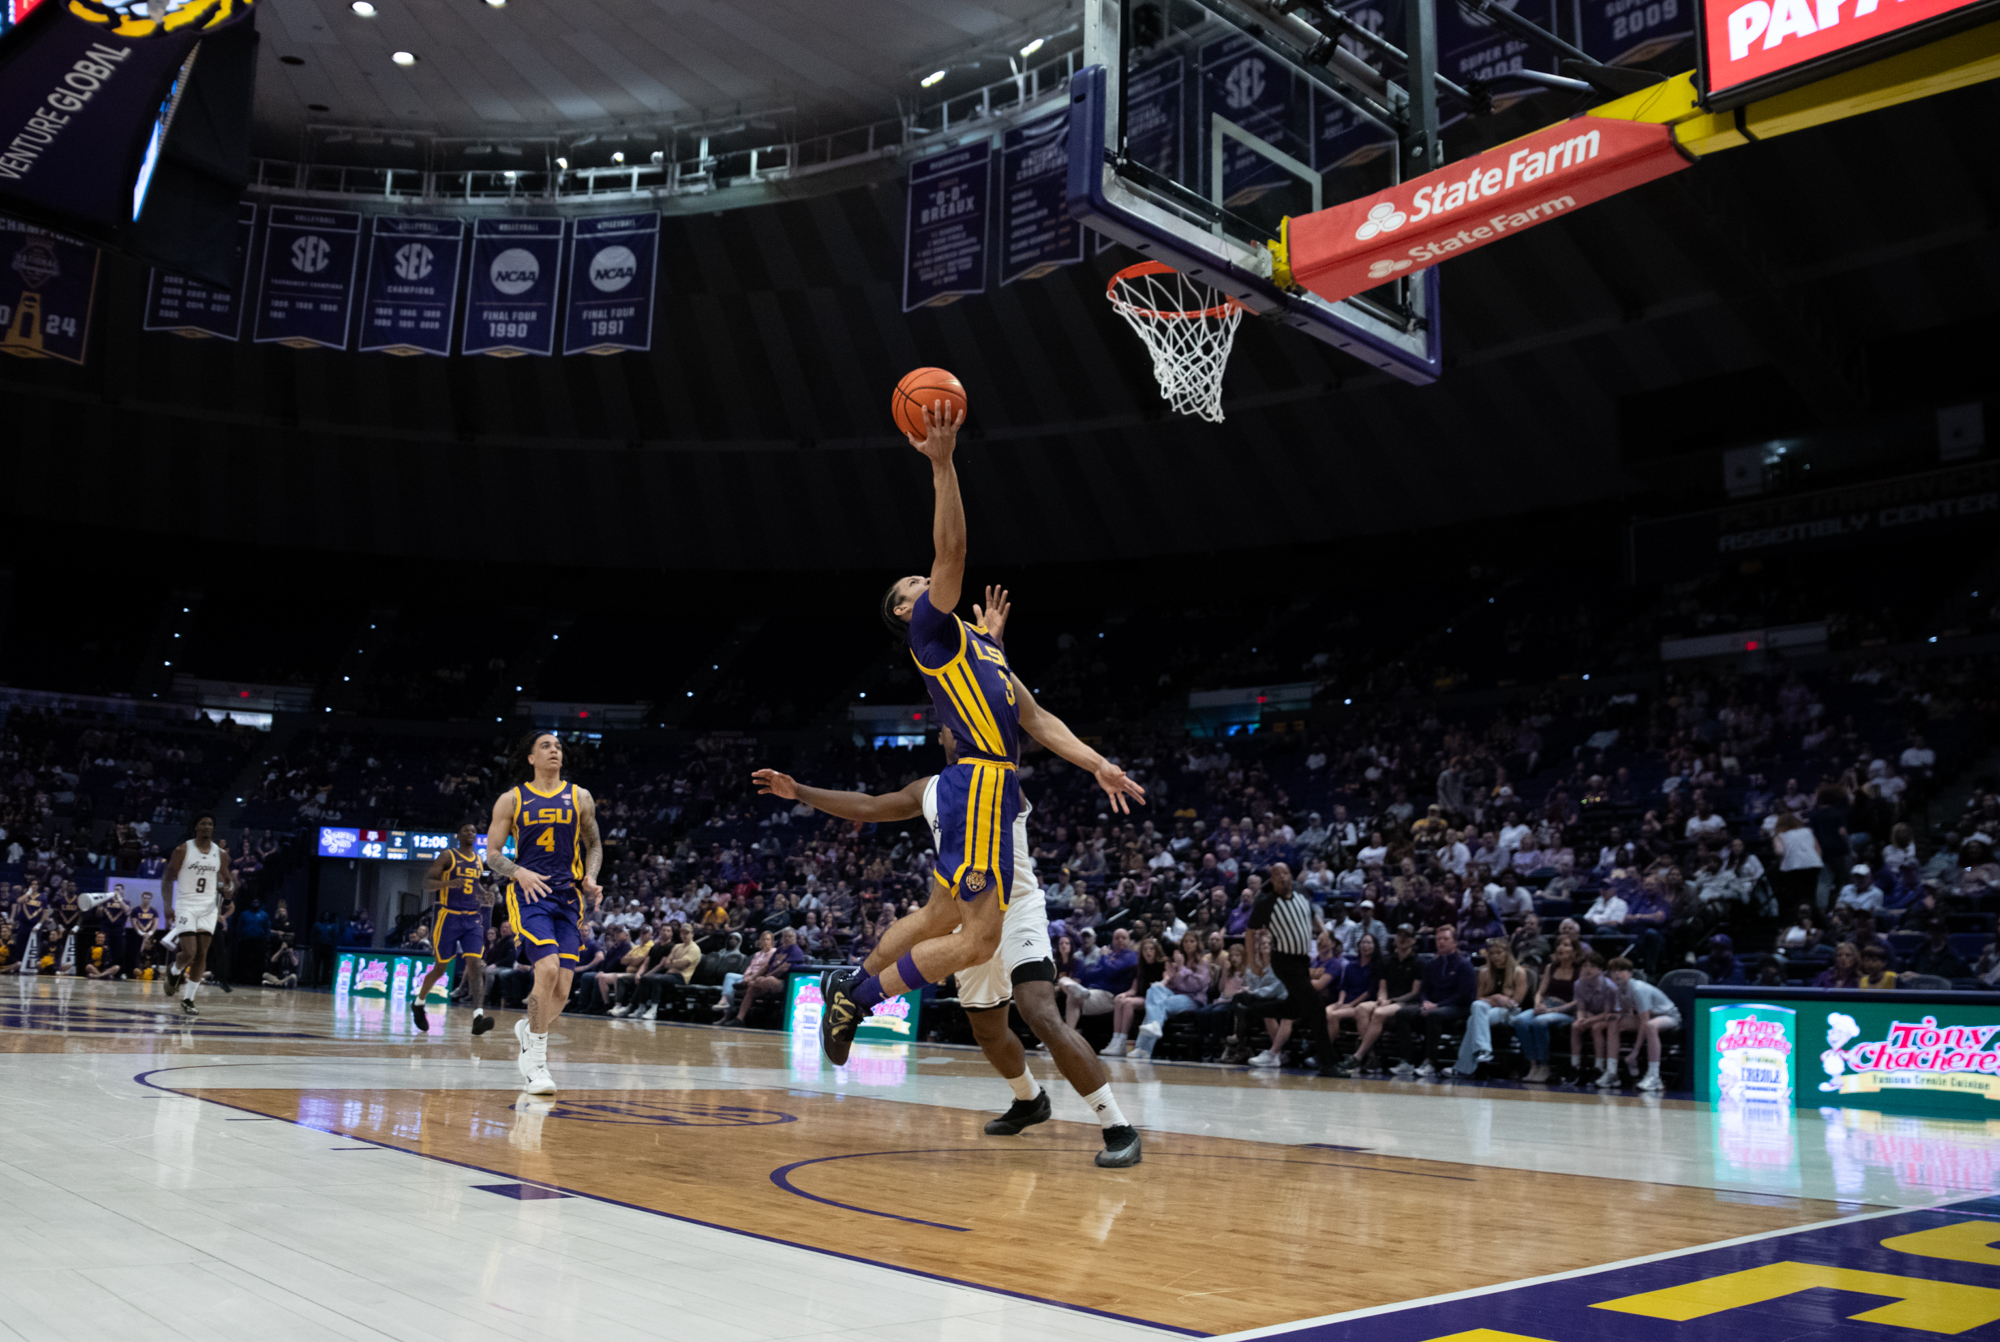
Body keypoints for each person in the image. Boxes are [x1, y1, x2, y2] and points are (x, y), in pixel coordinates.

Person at [823, 415, 1146, 1064]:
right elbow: (953, 555)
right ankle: (859, 996)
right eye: (911, 588)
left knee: (941, 916)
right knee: (976, 944)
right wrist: (942, 464)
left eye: (918, 581)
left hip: (989, 785)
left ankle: (848, 985)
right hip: (978, 784)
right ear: (907, 614)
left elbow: (1036, 718)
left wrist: (1097, 764)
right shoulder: (930, 633)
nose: (921, 582)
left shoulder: (978, 647)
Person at [752, 713, 1143, 1166]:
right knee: (987, 1029)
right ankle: (1029, 1100)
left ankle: (1117, 1124)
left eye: (965, 725)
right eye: (948, 726)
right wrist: (799, 791)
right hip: (967, 917)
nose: (956, 730)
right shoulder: (929, 789)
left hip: (1016, 911)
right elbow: (868, 806)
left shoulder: (1001, 778)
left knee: (1039, 1012)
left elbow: (1031, 720)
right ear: (941, 737)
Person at [482, 732, 605, 1095]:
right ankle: (536, 1063)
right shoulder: (512, 799)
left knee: (563, 989)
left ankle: (529, 1028)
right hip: (530, 894)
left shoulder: (580, 796)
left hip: (568, 898)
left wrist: (591, 876)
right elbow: (491, 853)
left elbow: (594, 843)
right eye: (546, 746)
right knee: (547, 968)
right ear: (532, 758)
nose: (555, 750)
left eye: (558, 747)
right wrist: (517, 871)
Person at [410, 823, 495, 1037]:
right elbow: (426, 883)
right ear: (459, 835)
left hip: (472, 919)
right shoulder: (448, 856)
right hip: (449, 918)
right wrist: (447, 885)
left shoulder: (477, 859)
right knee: (440, 968)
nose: (471, 833)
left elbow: (472, 884)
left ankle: (478, 1017)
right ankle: (419, 1003)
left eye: (474, 831)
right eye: (466, 830)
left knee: (475, 965)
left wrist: (484, 893)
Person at [162, 813, 236, 1017]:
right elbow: (167, 879)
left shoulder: (220, 854)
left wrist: (229, 889)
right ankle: (174, 971)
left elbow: (227, 879)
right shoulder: (183, 850)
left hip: (208, 908)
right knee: (189, 952)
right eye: (203, 823)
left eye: (210, 824)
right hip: (186, 904)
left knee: (202, 954)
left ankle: (188, 999)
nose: (207, 826)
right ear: (196, 826)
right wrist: (168, 906)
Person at [1391, 924, 1475, 1079]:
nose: (1441, 942)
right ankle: (1407, 1061)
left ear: (1455, 942)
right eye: (1438, 939)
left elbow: (1463, 995)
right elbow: (1424, 990)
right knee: (1402, 1013)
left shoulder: (1464, 965)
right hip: (1433, 1005)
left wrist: (1436, 1005)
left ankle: (1430, 1063)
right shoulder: (1431, 964)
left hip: (1457, 1006)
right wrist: (1425, 1002)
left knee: (1434, 1015)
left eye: (1445, 939)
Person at [1454, 937, 1529, 1077]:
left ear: (1507, 953)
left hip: (1511, 1013)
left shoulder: (1519, 972)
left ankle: (1463, 1066)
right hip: (1488, 1010)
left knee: (1473, 1021)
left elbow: (1515, 1002)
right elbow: (1478, 999)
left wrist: (1495, 1001)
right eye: (1492, 953)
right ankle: (1483, 1051)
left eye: (1499, 952)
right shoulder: (1484, 972)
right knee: (1477, 1006)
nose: (1496, 956)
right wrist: (1496, 998)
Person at [1513, 936, 1580, 1082]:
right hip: (1546, 1005)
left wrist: (1552, 1011)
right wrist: (1537, 1004)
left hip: (1565, 1010)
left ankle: (1544, 1065)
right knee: (1520, 1020)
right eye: (1559, 945)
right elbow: (1541, 992)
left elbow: (1577, 1001)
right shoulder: (1551, 967)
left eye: (1566, 945)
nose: (1561, 948)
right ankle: (1532, 1064)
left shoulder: (1579, 971)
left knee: (1540, 1022)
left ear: (1574, 951)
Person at [1608, 957, 1679, 1091]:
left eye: (1621, 970)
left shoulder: (1638, 989)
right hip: (1649, 1017)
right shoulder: (1619, 990)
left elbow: (1644, 1021)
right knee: (1613, 1022)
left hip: (1669, 1016)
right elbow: (1624, 1013)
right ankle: (1612, 1072)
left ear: (1630, 973)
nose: (1617, 974)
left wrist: (1635, 1052)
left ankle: (1654, 1076)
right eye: (1613, 971)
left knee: (1650, 1026)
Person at [1102, 937, 1166, 1057]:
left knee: (1128, 1003)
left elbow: (1166, 986)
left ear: (1156, 950)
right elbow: (1134, 989)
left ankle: (1122, 1040)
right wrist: (1124, 994)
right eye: (1145, 949)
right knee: (1120, 1000)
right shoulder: (1139, 967)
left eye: (1151, 949)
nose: (1148, 952)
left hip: (1155, 999)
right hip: (1141, 997)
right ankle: (1115, 1039)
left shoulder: (1162, 964)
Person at [1572, 952, 1623, 1086]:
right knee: (1575, 1026)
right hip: (1590, 1015)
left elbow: (1607, 1013)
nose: (1587, 969)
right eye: (1585, 966)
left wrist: (1588, 1020)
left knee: (1595, 1028)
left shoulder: (1609, 987)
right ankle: (1575, 1067)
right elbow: (1580, 1007)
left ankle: (1599, 1066)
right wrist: (1581, 1018)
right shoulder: (1578, 984)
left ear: (1601, 970)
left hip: (1608, 1017)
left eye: (1592, 966)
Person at [1772, 812, 1824, 911]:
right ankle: (1813, 917)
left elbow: (1779, 851)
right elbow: (1818, 849)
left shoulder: (1781, 835)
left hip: (1793, 866)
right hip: (1813, 864)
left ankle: (1800, 918)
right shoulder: (1807, 831)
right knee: (1811, 893)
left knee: (1797, 895)